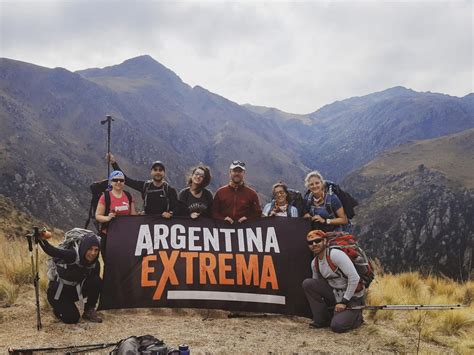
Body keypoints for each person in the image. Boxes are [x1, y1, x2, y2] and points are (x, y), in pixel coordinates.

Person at [302, 230, 364, 333]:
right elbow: (316, 285)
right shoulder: (315, 263)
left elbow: (354, 278)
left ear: (325, 241)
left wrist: (344, 302)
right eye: (310, 242)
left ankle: (357, 317)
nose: (314, 244)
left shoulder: (335, 254)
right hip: (336, 295)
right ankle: (322, 320)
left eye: (317, 241)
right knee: (308, 283)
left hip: (353, 297)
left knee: (337, 326)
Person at [38, 232, 103, 324]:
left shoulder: (94, 264)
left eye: (96, 250)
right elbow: (52, 251)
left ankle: (89, 310)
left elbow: (94, 284)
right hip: (57, 292)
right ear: (84, 248)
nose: (93, 253)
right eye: (90, 249)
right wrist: (41, 239)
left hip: (74, 291)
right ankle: (58, 309)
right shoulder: (72, 255)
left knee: (96, 281)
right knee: (72, 319)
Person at [108, 153, 179, 217]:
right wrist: (113, 163)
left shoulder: (169, 190)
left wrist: (170, 213)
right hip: (147, 223)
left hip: (164, 225)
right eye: (155, 170)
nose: (158, 172)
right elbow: (126, 180)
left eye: (160, 170)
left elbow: (176, 208)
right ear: (151, 172)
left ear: (164, 173)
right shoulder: (145, 186)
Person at [95, 170, 137, 259]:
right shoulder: (105, 197)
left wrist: (141, 216)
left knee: (123, 261)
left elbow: (133, 215)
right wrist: (108, 218)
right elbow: (98, 216)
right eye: (115, 180)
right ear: (111, 181)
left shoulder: (128, 196)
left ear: (124, 182)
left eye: (121, 180)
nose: (118, 182)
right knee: (109, 262)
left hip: (124, 235)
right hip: (108, 235)